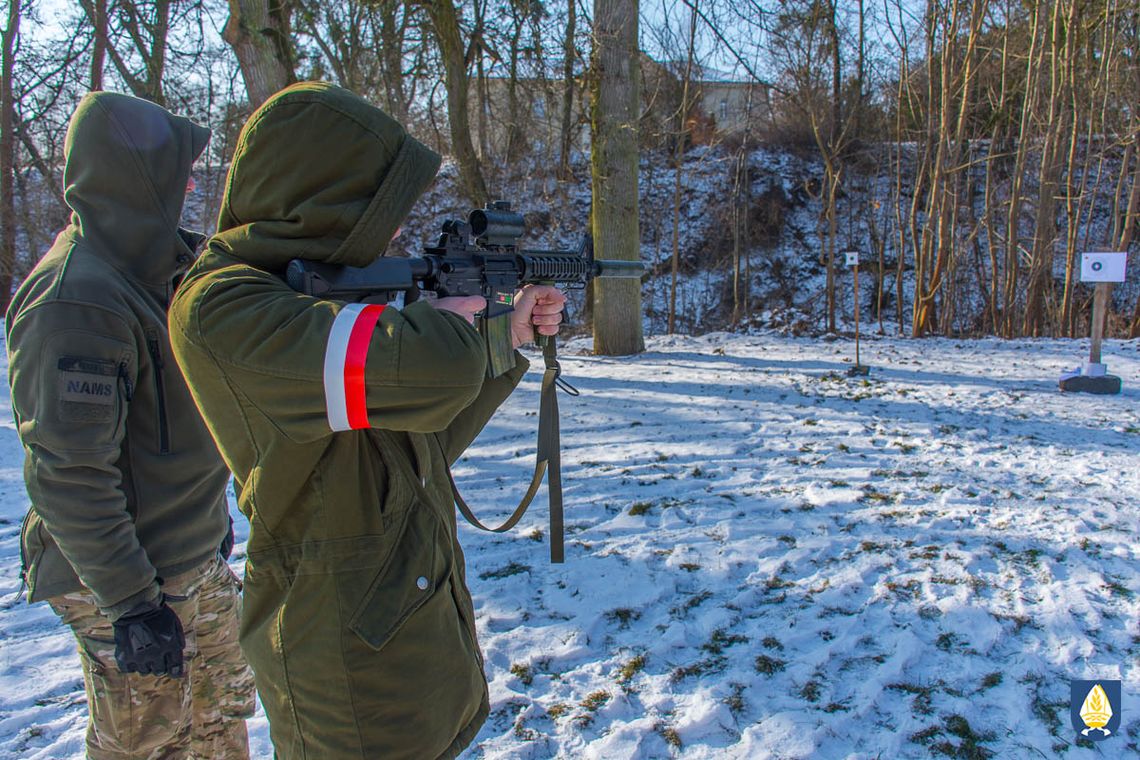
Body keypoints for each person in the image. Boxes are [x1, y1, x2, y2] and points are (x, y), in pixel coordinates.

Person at [167, 81, 566, 758]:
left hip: (403, 635)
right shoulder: (223, 306)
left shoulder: (300, 303)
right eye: (378, 211)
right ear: (319, 198)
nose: (395, 234)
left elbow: (418, 447)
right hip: (343, 665)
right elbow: (433, 371)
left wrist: (505, 336)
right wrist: (449, 324)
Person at [6, 91, 256, 759]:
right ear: (138, 179)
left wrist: (207, 527)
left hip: (187, 560)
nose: (192, 188)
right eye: (181, 175)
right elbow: (69, 476)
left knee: (220, 719)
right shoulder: (77, 301)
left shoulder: (157, 270)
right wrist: (132, 606)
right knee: (150, 743)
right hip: (126, 578)